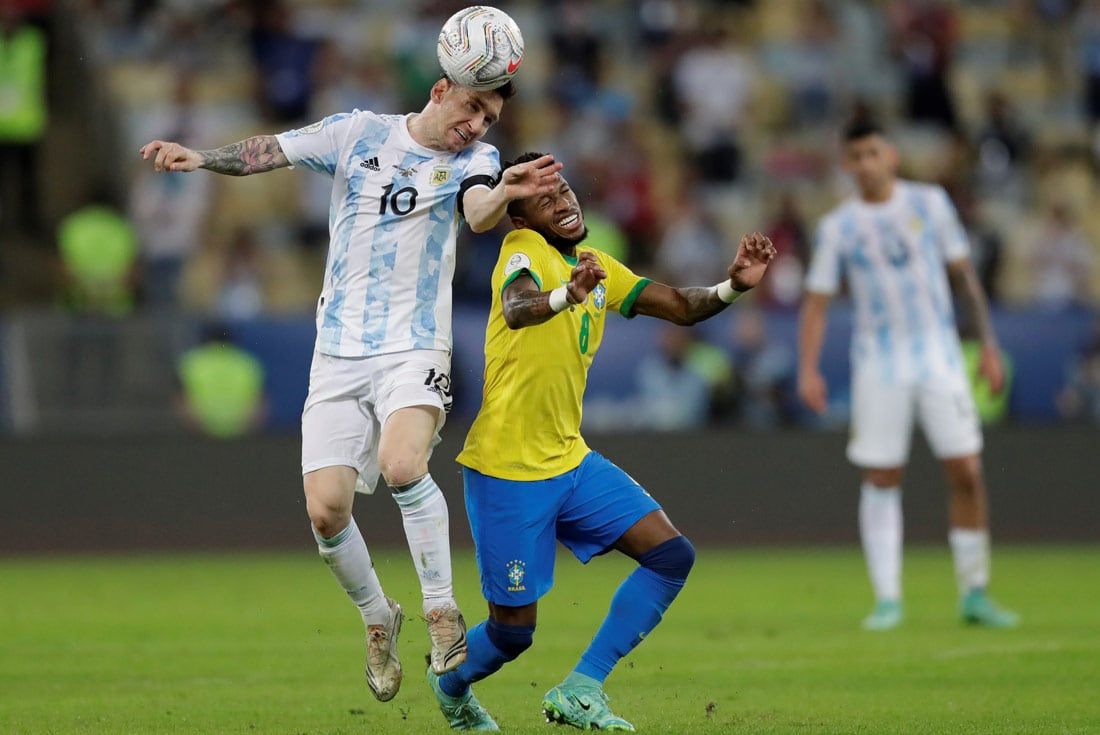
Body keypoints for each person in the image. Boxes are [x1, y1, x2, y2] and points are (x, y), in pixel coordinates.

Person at [139, 77, 564, 702]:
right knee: (325, 508)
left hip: (414, 344)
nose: (479, 124)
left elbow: (477, 213)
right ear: (442, 89)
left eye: (490, 118)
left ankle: (442, 611)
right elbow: (271, 150)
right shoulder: (357, 132)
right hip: (338, 349)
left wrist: (504, 191)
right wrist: (201, 158)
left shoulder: (477, 162)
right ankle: (376, 615)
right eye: (473, 107)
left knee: (401, 464)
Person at [426, 151, 776, 731]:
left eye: (564, 192)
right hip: (506, 471)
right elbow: (516, 309)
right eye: (546, 200)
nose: (564, 203)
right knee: (514, 634)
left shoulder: (595, 265)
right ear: (521, 218)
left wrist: (732, 287)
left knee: (670, 556)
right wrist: (568, 293)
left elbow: (679, 306)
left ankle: (582, 686)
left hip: (570, 461)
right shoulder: (523, 252)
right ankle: (452, 686)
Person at [797, 119, 1019, 631]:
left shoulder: (930, 204)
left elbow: (963, 275)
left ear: (891, 155)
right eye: (856, 156)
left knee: (965, 468)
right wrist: (809, 367)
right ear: (846, 165)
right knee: (881, 475)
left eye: (873, 152)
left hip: (940, 356)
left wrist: (987, 344)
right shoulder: (838, 227)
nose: (866, 163)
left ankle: (975, 592)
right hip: (879, 362)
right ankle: (888, 599)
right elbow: (817, 302)